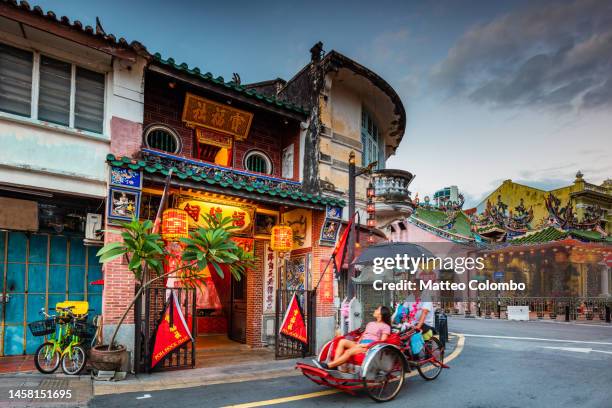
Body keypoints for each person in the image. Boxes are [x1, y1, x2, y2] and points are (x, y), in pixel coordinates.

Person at [315, 305, 392, 370]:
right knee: (342, 341)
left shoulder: (386, 327)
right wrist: (358, 342)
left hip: (370, 347)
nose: (375, 310)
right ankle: (334, 365)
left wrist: (367, 346)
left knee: (348, 352)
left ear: (381, 314)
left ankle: (329, 365)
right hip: (360, 343)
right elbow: (364, 334)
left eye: (377, 309)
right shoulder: (370, 323)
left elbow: (382, 341)